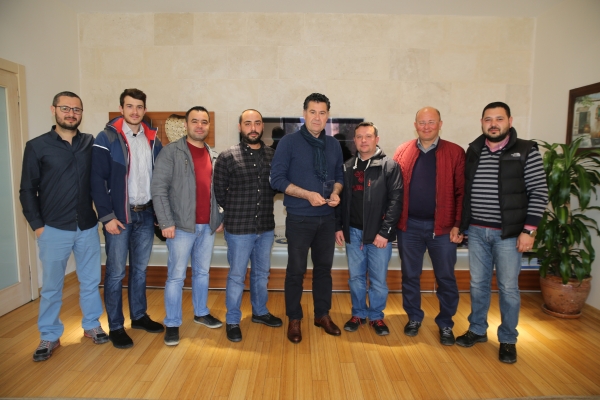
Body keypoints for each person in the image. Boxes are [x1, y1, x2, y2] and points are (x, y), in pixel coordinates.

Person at [456, 102, 548, 363]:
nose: (493, 124)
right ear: (482, 123)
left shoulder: (526, 150)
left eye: (499, 118)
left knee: (508, 288)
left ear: (510, 121)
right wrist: (462, 226)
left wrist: (529, 230)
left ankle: (508, 338)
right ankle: (477, 329)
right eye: (488, 119)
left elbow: (539, 192)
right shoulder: (474, 151)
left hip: (509, 234)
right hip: (476, 231)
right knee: (477, 284)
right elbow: (466, 193)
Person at [20, 91, 108, 361]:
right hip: (53, 228)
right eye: (65, 108)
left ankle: (91, 324)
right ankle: (49, 334)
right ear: (54, 110)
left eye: (76, 109)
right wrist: (38, 226)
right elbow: (27, 190)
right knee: (51, 287)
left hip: (87, 227)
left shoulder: (90, 143)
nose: (71, 114)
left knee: (91, 281)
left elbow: (101, 179)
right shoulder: (37, 146)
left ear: (81, 113)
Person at [91, 88, 164, 349]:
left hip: (146, 214)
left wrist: (159, 214)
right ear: (121, 109)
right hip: (119, 217)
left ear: (145, 110)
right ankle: (116, 326)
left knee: (140, 271)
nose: (135, 111)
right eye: (129, 106)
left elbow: (160, 179)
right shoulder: (106, 137)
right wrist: (107, 217)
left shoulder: (153, 139)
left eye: (139, 106)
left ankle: (139, 316)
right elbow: (96, 180)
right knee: (115, 273)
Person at [270, 93, 344, 343]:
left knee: (324, 270)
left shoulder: (333, 144)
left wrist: (335, 193)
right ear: (304, 114)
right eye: (313, 112)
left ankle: (322, 315)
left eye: (322, 113)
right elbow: (277, 180)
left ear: (327, 116)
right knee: (296, 271)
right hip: (299, 219)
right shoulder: (288, 142)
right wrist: (307, 195)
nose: (317, 117)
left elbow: (339, 178)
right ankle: (294, 318)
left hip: (327, 218)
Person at [151, 106, 224, 346]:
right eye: (195, 121)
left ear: (208, 125)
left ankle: (201, 312)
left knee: (202, 273)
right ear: (186, 124)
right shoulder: (171, 152)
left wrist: (219, 218)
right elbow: (158, 189)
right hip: (180, 227)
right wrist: (166, 222)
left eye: (204, 122)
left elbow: (219, 191)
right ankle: (172, 323)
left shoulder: (213, 155)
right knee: (176, 277)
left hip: (207, 227)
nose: (200, 126)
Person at [393, 107, 465, 346]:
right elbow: (394, 190)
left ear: (440, 124)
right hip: (409, 227)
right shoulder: (402, 151)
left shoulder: (455, 152)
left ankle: (446, 323)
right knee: (410, 276)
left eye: (431, 122)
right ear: (415, 125)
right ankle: (414, 317)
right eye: (422, 122)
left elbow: (462, 192)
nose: (426, 127)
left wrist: (458, 224)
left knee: (446, 277)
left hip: (443, 229)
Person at [214, 109, 282, 342]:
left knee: (262, 274)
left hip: (266, 227)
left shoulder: (273, 155)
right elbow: (219, 192)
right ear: (240, 127)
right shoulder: (227, 156)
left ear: (262, 126)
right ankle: (233, 320)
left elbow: (277, 187)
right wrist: (232, 212)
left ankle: (260, 312)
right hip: (238, 229)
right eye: (248, 123)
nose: (253, 128)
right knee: (237, 275)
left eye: (257, 123)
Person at [335, 122, 403, 336]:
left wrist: (385, 233)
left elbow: (396, 201)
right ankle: (358, 314)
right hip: (353, 233)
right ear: (354, 140)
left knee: (378, 281)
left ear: (376, 139)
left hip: (378, 236)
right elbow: (340, 201)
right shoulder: (347, 167)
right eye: (359, 137)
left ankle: (376, 317)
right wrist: (338, 227)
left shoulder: (389, 167)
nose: (363, 140)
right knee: (355, 278)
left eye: (368, 136)